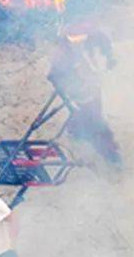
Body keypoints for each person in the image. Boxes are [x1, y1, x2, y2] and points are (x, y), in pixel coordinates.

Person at [48, 27, 120, 163]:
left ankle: (108, 156)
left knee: (92, 122)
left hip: (88, 91)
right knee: (92, 123)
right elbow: (55, 75)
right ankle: (108, 157)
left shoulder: (84, 42)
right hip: (82, 94)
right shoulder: (64, 52)